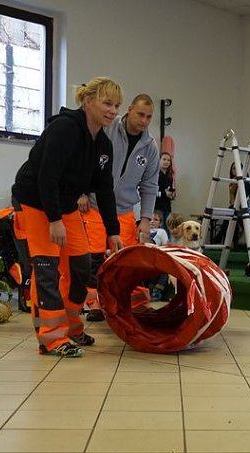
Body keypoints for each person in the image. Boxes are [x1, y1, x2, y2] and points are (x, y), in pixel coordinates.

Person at [11, 77, 124, 358]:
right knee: (47, 268)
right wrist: (54, 220)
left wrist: (113, 231)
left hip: (65, 205)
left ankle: (72, 328)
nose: (112, 110)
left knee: (81, 265)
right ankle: (50, 338)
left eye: (117, 106)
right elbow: (47, 176)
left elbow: (105, 189)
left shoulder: (103, 145)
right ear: (88, 102)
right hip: (36, 202)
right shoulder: (64, 129)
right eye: (107, 103)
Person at [83, 93, 160, 321]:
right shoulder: (107, 130)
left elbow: (150, 184)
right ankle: (95, 303)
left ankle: (138, 303)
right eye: (140, 114)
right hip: (95, 205)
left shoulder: (150, 147)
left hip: (125, 210)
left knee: (129, 260)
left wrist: (145, 219)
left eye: (148, 117)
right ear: (129, 110)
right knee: (94, 258)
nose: (144, 120)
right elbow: (86, 160)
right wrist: (83, 193)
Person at [155, 151, 176, 229]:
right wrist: (164, 194)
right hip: (157, 208)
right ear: (159, 160)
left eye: (168, 160)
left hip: (167, 207)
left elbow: (170, 189)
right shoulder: (155, 175)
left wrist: (173, 194)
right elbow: (151, 193)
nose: (166, 162)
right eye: (164, 159)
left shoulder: (169, 176)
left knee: (167, 230)